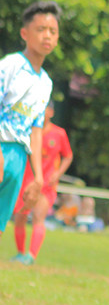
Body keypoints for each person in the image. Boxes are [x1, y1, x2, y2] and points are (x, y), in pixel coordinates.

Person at [0, 2, 60, 248]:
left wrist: (38, 178)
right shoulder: (10, 65)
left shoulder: (45, 83)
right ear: (25, 33)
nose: (47, 36)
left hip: (18, 157)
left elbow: (36, 130)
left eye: (53, 31)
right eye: (41, 29)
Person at [12, 102, 72, 264]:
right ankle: (20, 253)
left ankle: (31, 256)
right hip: (26, 182)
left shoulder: (59, 133)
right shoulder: (27, 130)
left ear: (50, 112)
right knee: (20, 217)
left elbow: (68, 156)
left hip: (46, 185)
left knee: (38, 216)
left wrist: (57, 174)